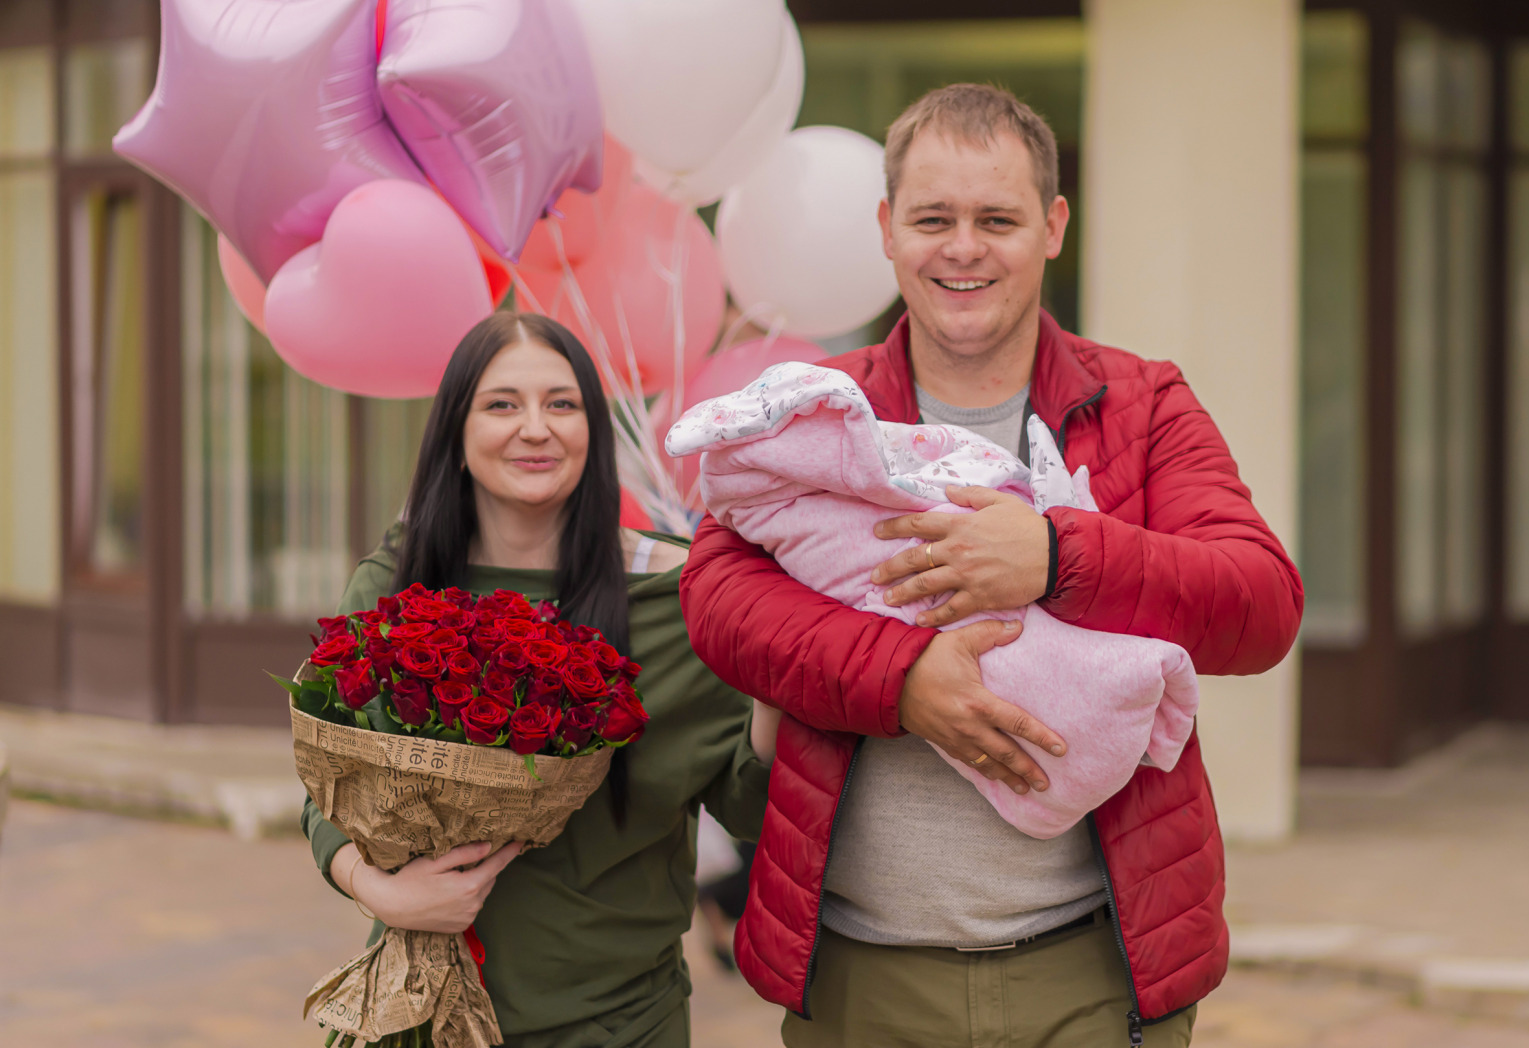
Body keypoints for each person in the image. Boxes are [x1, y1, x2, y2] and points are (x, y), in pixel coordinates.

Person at [680, 84, 1304, 1046]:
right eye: (933, 218)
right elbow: (718, 596)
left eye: (997, 219)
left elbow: (1259, 603)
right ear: (887, 229)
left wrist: (1054, 553)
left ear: (1052, 226)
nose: (962, 248)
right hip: (858, 978)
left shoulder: (1141, 406)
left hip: (1093, 972)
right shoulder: (814, 413)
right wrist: (901, 680)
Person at [301, 311, 774, 1048]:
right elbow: (329, 790)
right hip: (424, 1014)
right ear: (455, 432)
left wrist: (774, 686)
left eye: (562, 404)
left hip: (620, 1024)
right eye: (501, 404)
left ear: (593, 432)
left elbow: (750, 808)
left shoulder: (682, 599)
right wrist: (383, 891)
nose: (535, 428)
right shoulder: (393, 591)